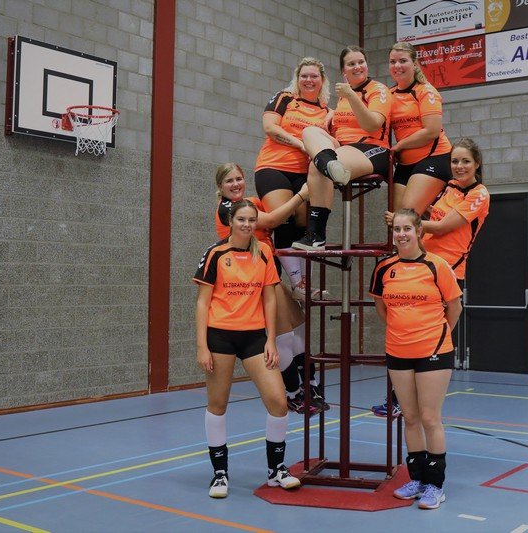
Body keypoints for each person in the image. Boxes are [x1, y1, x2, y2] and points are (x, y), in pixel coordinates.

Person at [372, 139, 490, 418]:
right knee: (406, 322)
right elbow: (431, 214)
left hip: (447, 269)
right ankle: (399, 396)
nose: (459, 166)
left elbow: (443, 226)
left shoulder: (479, 194)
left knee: (434, 332)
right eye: (455, 161)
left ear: (477, 164)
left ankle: (410, 391)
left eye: (465, 161)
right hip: (422, 262)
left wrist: (404, 223)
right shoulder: (449, 187)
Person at [194, 199, 301, 499]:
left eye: (252, 220)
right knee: (218, 404)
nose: (247, 225)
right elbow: (202, 302)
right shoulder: (215, 254)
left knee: (278, 402)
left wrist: (271, 339)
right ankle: (220, 473)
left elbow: (270, 298)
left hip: (254, 337)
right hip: (220, 337)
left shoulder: (264, 252)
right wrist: (202, 346)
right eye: (241, 219)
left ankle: (276, 470)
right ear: (231, 221)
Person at [214, 163, 329, 414]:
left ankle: (310, 385)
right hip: (253, 276)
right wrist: (302, 195)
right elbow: (274, 219)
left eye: (238, 178)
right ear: (220, 187)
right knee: (284, 334)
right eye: (229, 181)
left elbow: (283, 220)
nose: (235, 184)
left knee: (299, 325)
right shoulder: (228, 209)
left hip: (272, 272)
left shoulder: (253, 201)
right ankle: (293, 393)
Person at [369, 208, 462, 510]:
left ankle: (435, 485)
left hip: (433, 351)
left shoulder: (437, 266)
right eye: (397, 229)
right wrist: (402, 331)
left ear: (419, 231)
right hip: (398, 350)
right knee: (409, 418)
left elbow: (454, 307)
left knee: (430, 418)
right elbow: (382, 307)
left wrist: (436, 335)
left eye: (407, 228)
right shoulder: (384, 268)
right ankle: (417, 479)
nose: (401, 234)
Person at [292, 45, 392, 251]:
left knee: (316, 166)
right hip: (343, 149)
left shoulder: (378, 89)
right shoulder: (344, 96)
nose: (357, 67)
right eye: (351, 64)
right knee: (309, 131)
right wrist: (332, 113)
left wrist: (351, 96)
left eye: (361, 62)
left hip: (373, 149)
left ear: (367, 65)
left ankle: (316, 235)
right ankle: (330, 166)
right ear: (343, 71)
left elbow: (372, 124)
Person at [254, 57, 331, 298]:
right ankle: (297, 283)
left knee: (304, 225)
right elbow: (270, 128)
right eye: (304, 76)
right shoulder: (285, 98)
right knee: (283, 218)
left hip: (305, 172)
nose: (308, 80)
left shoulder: (327, 111)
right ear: (297, 79)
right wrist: (301, 144)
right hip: (273, 167)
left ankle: (303, 283)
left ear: (322, 80)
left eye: (314, 76)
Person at [388, 41, 453, 216]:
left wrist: (400, 146)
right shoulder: (389, 94)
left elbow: (431, 131)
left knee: (406, 216)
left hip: (434, 157)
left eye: (403, 61)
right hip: (405, 163)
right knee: (397, 220)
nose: (397, 66)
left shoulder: (426, 91)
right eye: (393, 62)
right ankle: (434, 218)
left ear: (415, 64)